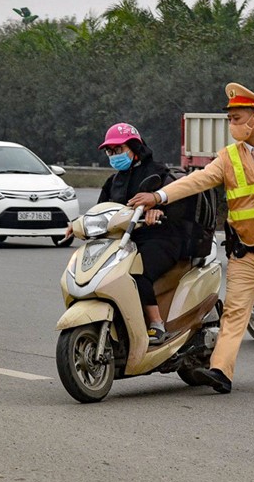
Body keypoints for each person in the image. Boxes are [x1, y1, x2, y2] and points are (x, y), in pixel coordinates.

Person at [129, 83, 254, 393]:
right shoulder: (228, 158)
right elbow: (196, 181)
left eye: (237, 118)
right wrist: (158, 196)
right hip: (245, 252)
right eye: (229, 119)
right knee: (234, 313)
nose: (232, 125)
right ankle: (221, 370)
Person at [69, 122, 191, 345]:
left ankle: (156, 324)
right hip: (124, 241)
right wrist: (79, 223)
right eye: (110, 151)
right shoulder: (113, 181)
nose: (114, 155)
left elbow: (178, 202)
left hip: (161, 238)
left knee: (136, 272)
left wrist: (158, 210)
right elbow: (100, 210)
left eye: (119, 150)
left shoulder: (158, 173)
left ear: (135, 149)